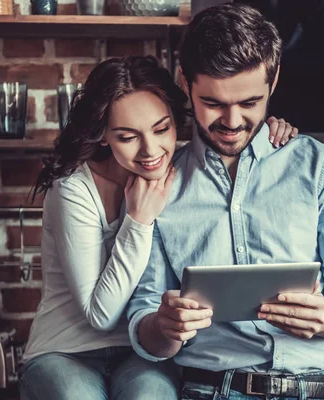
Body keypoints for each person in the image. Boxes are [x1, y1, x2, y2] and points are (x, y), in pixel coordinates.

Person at [126, 4, 324, 400]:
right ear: (184, 81)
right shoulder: (156, 183)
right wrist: (164, 326)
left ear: (273, 81)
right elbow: (143, 318)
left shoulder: (321, 169)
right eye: (213, 103)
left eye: (249, 103)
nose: (232, 120)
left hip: (316, 389)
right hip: (209, 390)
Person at [18, 55, 298, 400]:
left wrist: (271, 129)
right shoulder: (73, 189)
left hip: (144, 353)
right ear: (103, 135)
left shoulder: (180, 166)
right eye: (127, 136)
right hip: (64, 351)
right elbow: (101, 315)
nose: (151, 150)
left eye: (162, 129)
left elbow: (233, 137)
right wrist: (137, 220)